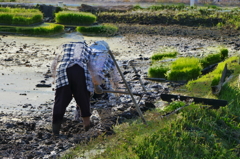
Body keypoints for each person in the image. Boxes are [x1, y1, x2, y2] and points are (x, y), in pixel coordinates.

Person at [51, 39, 95, 135]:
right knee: (83, 99)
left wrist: (55, 78)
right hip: (79, 70)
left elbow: (54, 65)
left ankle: (55, 131)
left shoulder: (63, 47)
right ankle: (87, 127)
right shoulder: (87, 48)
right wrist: (96, 84)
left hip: (62, 70)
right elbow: (92, 68)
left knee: (60, 101)